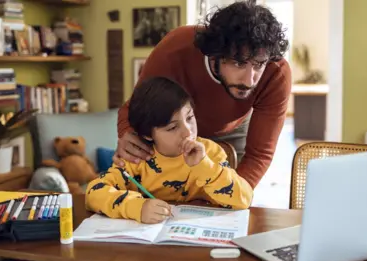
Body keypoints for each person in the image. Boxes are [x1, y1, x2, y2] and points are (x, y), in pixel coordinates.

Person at [115, 1, 291, 189]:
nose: (249, 80)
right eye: (239, 63)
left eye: (258, 65)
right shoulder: (174, 50)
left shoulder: (276, 73)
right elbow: (134, 107)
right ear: (215, 54)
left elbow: (259, 155)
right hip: (174, 128)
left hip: (234, 129)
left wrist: (233, 198)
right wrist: (128, 133)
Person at [86, 77, 253, 224]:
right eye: (172, 127)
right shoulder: (136, 158)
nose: (188, 132)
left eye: (189, 117)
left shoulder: (211, 153)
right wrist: (136, 207)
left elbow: (244, 199)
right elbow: (94, 193)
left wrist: (205, 166)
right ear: (147, 134)